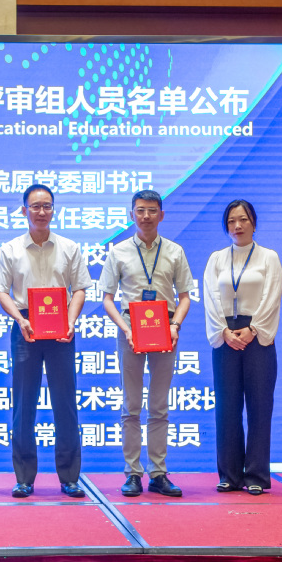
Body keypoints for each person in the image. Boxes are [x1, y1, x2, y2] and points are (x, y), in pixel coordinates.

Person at [0, 184, 92, 498]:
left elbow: (80, 288)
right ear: (24, 210)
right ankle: (24, 478)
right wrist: (20, 319)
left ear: (53, 210)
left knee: (65, 404)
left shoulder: (69, 247)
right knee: (23, 404)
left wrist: (71, 321)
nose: (41, 212)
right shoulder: (10, 249)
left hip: (62, 328)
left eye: (47, 206)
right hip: (25, 328)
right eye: (35, 206)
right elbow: (1, 291)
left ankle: (70, 477)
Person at [100, 190, 193, 497]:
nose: (146, 216)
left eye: (152, 210)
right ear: (132, 215)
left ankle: (158, 473)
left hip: (166, 329)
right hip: (131, 330)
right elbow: (108, 298)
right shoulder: (118, 252)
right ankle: (132, 473)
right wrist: (125, 328)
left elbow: (184, 297)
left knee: (159, 405)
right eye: (140, 210)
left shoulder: (175, 251)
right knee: (131, 406)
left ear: (161, 215)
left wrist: (175, 325)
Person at [203, 199, 282, 496]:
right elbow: (210, 298)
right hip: (225, 336)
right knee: (227, 408)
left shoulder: (268, 257)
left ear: (254, 223)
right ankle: (229, 475)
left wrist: (253, 330)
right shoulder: (216, 259)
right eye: (231, 221)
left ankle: (257, 475)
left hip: (257, 337)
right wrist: (224, 332)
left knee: (260, 408)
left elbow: (272, 297)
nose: (237, 226)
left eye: (243, 220)